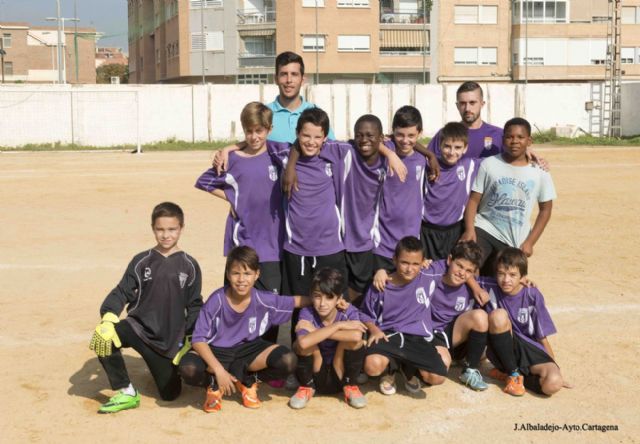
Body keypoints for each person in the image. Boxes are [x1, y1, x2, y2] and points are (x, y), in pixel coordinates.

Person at [88, 202, 202, 413]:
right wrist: (108, 316)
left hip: (168, 342)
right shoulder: (141, 261)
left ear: (181, 228)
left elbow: (195, 304)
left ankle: (163, 368)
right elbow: (122, 291)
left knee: (170, 395)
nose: (166, 235)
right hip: (138, 328)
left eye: (172, 229)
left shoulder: (190, 265)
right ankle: (126, 391)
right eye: (160, 229)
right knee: (103, 337)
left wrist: (190, 338)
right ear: (153, 228)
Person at [179, 246, 308, 412]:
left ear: (257, 275)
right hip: (217, 350)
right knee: (188, 368)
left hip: (248, 352)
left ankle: (248, 381)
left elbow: (294, 301)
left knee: (288, 360)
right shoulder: (216, 301)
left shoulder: (263, 299)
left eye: (247, 273)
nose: (241, 279)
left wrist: (325, 300)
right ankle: (213, 385)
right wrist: (218, 370)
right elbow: (198, 339)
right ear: (228, 275)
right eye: (236, 273)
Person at [195, 102, 284, 301]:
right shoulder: (233, 159)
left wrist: (229, 146)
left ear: (269, 129)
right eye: (249, 131)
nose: (254, 137)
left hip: (272, 244)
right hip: (242, 240)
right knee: (236, 300)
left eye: (259, 131)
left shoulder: (277, 154)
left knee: (270, 303)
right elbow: (204, 181)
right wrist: (233, 197)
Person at [460, 117, 556, 271]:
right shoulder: (489, 164)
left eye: (520, 137)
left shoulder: (540, 172)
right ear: (503, 139)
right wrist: (470, 229)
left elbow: (546, 210)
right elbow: (473, 200)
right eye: (510, 137)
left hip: (515, 238)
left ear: (529, 141)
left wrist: (530, 242)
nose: (515, 141)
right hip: (485, 227)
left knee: (505, 278)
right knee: (470, 266)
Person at [361, 236, 448, 395]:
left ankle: (407, 369)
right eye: (404, 262)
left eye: (415, 264)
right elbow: (365, 314)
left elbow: (455, 264)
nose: (410, 269)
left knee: (438, 377)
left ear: (423, 262)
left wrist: (477, 289)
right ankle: (390, 369)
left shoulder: (428, 274)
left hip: (417, 338)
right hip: (389, 335)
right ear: (394, 260)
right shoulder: (382, 284)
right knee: (372, 366)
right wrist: (374, 330)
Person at [482, 248, 569, 396]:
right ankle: (512, 374)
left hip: (528, 348)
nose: (506, 280)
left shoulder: (532, 294)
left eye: (512, 275)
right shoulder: (489, 285)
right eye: (501, 273)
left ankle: (506, 375)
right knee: (498, 316)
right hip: (502, 346)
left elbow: (542, 337)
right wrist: (427, 263)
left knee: (553, 384)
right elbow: (464, 273)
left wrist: (556, 369)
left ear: (523, 276)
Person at [289, 268, 368, 409]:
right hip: (315, 372)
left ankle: (350, 386)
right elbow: (303, 342)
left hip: (340, 371)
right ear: (311, 296)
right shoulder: (307, 312)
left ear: (339, 298)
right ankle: (306, 387)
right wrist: (339, 326)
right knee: (299, 344)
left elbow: (356, 336)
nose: (322, 303)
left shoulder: (347, 311)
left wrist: (317, 331)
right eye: (317, 296)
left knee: (356, 342)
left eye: (329, 297)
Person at [373, 106, 435, 277]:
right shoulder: (384, 152)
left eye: (411, 135)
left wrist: (431, 155)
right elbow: (368, 141)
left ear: (420, 133)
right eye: (400, 135)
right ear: (392, 132)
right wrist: (389, 154)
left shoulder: (422, 160)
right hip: (383, 242)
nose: (405, 140)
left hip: (410, 243)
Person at [428, 241, 489, 391]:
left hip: (451, 334)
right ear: (449, 260)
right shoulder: (432, 272)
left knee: (480, 317)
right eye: (459, 266)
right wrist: (381, 272)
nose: (462, 273)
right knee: (437, 374)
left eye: (468, 271)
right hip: (428, 334)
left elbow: (505, 284)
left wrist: (522, 281)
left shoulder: (472, 285)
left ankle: (470, 370)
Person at [421, 122, 478, 261]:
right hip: (426, 231)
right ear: (439, 145)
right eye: (447, 146)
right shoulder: (427, 165)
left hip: (454, 231)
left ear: (465, 148)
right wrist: (429, 155)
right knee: (426, 270)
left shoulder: (470, 166)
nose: (452, 152)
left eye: (458, 147)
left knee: (450, 269)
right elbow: (409, 144)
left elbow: (500, 159)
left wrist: (526, 151)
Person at [267, 51, 334, 143]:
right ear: (276, 79)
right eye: (284, 74)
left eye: (294, 74)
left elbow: (332, 149)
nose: (289, 80)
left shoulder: (317, 114)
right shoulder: (263, 114)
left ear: (302, 80)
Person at [428, 81, 503, 160]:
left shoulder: (499, 135)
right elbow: (427, 160)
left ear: (482, 104)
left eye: (472, 103)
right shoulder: (446, 134)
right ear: (457, 106)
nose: (467, 108)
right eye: (463, 103)